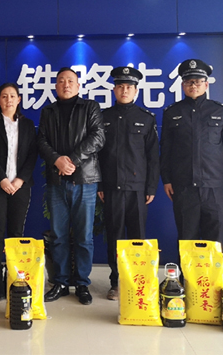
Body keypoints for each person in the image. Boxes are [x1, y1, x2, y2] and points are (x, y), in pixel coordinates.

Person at [37, 67, 105, 305]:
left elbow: (98, 137)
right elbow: (41, 141)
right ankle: (61, 282)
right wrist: (57, 160)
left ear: (78, 86)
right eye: (61, 81)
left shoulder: (90, 107)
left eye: (70, 81)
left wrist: (72, 160)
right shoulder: (48, 111)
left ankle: (82, 284)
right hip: (56, 182)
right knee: (58, 235)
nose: (66, 84)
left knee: (84, 236)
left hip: (84, 180)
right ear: (56, 86)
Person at [98, 66, 159, 301]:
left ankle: (136, 280)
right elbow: (98, 155)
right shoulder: (103, 117)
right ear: (114, 90)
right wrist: (100, 185)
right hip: (111, 187)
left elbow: (153, 157)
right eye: (120, 86)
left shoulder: (146, 118)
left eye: (129, 87)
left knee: (137, 236)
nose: (124, 90)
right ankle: (116, 282)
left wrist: (151, 187)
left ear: (136, 91)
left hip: (138, 189)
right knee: (114, 236)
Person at [160, 59, 223, 244]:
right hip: (183, 186)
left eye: (198, 81)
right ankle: (187, 267)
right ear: (183, 85)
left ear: (206, 84)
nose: (193, 85)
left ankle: (213, 267)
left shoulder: (221, 112)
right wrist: (167, 179)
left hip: (214, 186)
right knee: (187, 239)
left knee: (214, 240)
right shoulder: (172, 113)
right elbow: (166, 149)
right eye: (189, 82)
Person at [0, 82, 38, 301]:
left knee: (16, 234)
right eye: (4, 96)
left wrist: (20, 180)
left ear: (19, 99)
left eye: (12, 96)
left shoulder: (28, 125)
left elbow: (32, 155)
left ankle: (13, 278)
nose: (8, 100)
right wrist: (3, 179)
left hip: (21, 187)